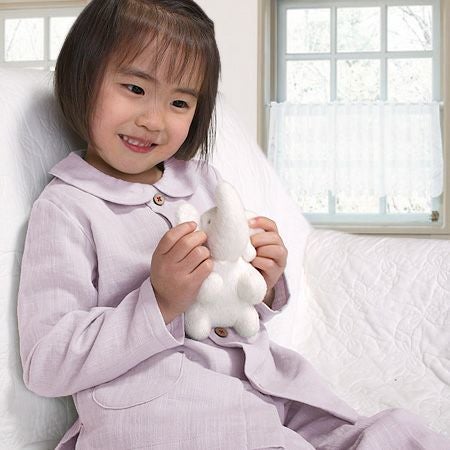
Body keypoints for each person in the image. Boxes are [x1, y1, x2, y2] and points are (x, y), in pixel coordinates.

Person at [17, 1, 450, 449]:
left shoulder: (203, 181)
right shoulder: (68, 207)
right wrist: (159, 302)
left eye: (179, 102)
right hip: (166, 414)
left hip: (267, 388)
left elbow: (228, 304)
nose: (153, 120)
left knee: (396, 433)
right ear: (82, 77)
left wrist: (262, 282)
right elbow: (48, 363)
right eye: (134, 88)